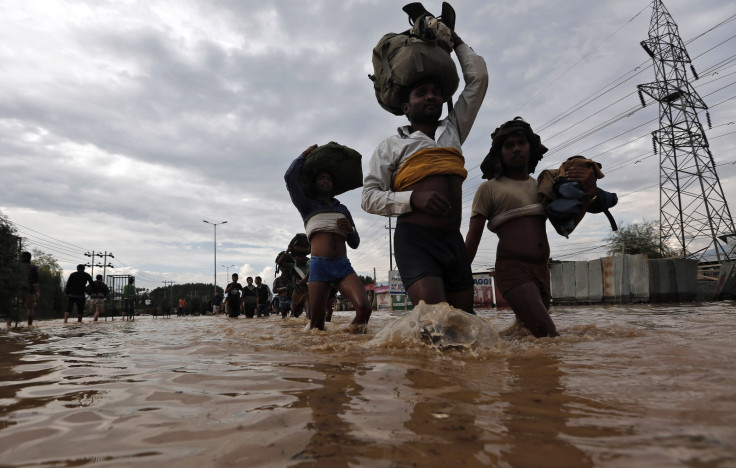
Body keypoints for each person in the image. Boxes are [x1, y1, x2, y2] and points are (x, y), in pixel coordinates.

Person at [361, 28, 488, 314]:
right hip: (415, 242)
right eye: (421, 93)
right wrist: (411, 199)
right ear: (406, 107)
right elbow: (368, 197)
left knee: (465, 326)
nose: (430, 97)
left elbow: (478, 81)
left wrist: (455, 41)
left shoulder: (453, 130)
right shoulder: (391, 146)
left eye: (435, 93)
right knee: (437, 323)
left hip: (452, 242)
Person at [464, 117, 596, 338]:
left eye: (521, 143)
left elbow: (565, 229)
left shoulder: (543, 186)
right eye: (509, 145)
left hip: (542, 272)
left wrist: (589, 194)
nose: (516, 149)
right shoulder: (489, 189)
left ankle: (500, 359)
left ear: (531, 148)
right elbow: (473, 237)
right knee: (549, 336)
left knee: (526, 336)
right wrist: (457, 278)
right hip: (513, 271)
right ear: (500, 153)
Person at [285, 145, 372, 332]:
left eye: (329, 179)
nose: (326, 181)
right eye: (322, 178)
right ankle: (325, 357)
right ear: (315, 183)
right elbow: (289, 178)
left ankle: (348, 347)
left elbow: (355, 243)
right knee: (317, 326)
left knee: (365, 309)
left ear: (333, 185)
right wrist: (303, 155)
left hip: (343, 266)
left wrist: (350, 230)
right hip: (319, 267)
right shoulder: (307, 205)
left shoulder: (342, 209)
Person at [7, 251, 40, 327]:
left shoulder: (16, 267)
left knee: (14, 307)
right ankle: (29, 325)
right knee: (30, 307)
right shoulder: (33, 268)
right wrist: (37, 292)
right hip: (28, 290)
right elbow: (35, 282)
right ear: (30, 258)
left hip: (17, 290)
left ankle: (8, 325)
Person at [289, 252, 310, 319]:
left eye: (302, 256)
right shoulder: (293, 267)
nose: (300, 258)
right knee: (294, 315)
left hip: (308, 293)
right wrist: (288, 251)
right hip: (297, 294)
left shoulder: (310, 265)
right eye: (298, 257)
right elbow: (280, 262)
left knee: (309, 313)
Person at [273, 253, 293, 318]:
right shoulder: (277, 280)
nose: (284, 269)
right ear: (280, 269)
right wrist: (285, 288)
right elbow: (274, 290)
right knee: (284, 317)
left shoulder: (292, 277)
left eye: (285, 267)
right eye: (282, 267)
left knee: (293, 316)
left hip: (291, 298)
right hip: (282, 299)